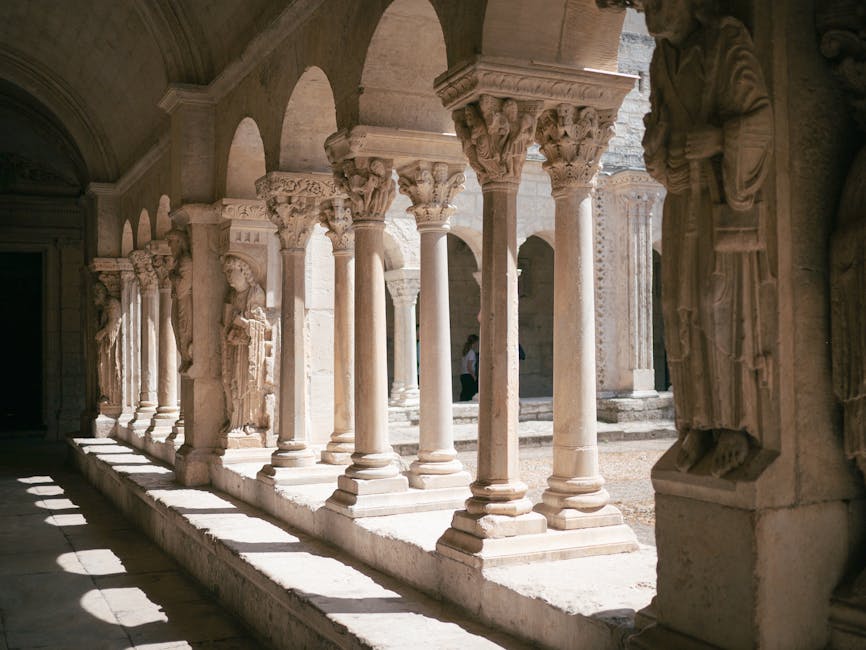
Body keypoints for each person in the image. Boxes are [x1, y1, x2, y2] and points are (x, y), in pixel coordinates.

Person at [642, 0, 774, 477]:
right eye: (644, 6)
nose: (650, 14)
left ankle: (735, 423)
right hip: (682, 205)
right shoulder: (660, 60)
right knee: (681, 309)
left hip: (721, 200)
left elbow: (763, 120)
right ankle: (695, 419)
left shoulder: (726, 42)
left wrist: (720, 139)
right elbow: (660, 133)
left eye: (658, 3)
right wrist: (659, 154)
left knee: (720, 307)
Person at [459, 334, 479, 402]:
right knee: (470, 395)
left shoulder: (465, 352)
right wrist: (474, 376)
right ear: (474, 343)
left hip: (463, 375)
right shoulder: (471, 353)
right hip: (468, 376)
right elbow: (469, 367)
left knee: (465, 393)